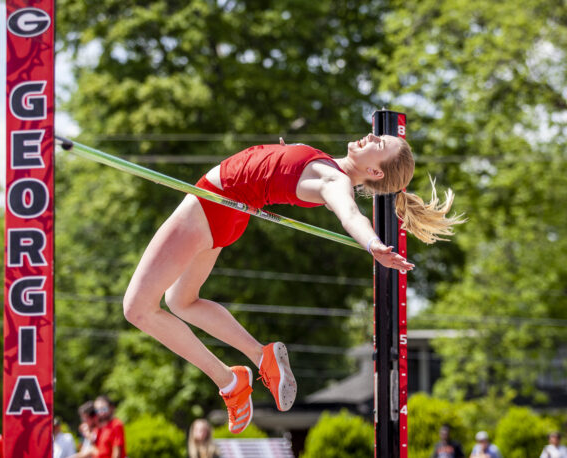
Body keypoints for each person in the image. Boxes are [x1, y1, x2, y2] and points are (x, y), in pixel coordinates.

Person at [122, 134, 463, 433]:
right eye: (377, 136)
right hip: (226, 211)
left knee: (137, 309)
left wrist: (373, 244)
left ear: (375, 172)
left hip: (211, 204)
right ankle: (260, 356)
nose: (372, 137)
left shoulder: (334, 179)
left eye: (379, 144)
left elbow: (350, 215)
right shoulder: (328, 163)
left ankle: (228, 380)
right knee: (181, 301)